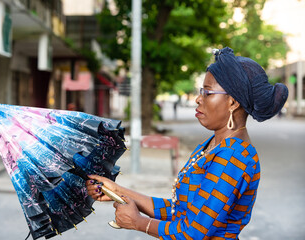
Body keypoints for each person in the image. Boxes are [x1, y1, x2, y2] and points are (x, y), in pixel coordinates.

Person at [86, 47, 288, 239]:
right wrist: (116, 190)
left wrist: (138, 222)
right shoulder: (212, 145)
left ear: (233, 102)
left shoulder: (232, 156)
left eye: (208, 93)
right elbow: (178, 209)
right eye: (201, 91)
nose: (198, 100)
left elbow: (193, 232)